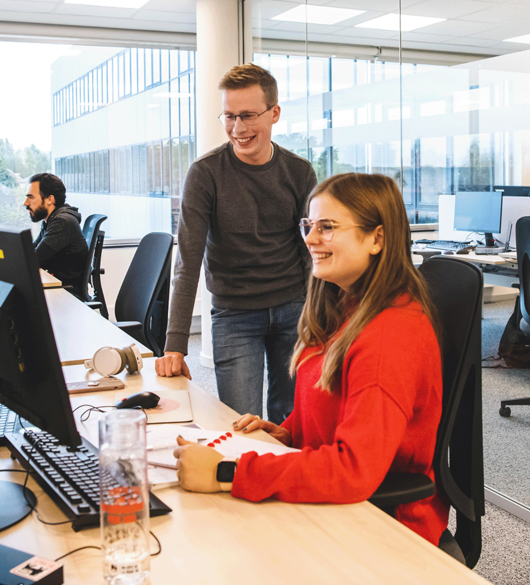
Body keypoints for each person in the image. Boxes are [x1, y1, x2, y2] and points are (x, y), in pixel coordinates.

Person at [173, 173, 449, 546]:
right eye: (310, 225)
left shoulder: (388, 335)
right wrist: (289, 432)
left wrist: (228, 472)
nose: (310, 238)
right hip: (337, 503)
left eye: (328, 227)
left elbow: (355, 471)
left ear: (377, 239)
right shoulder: (343, 306)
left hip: (384, 527)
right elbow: (333, 403)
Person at [156, 63, 317, 425]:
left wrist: (320, 314)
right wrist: (175, 344)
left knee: (292, 422)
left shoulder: (299, 172)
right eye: (229, 116)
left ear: (274, 113)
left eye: (248, 115)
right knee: (242, 423)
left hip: (294, 308)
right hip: (235, 314)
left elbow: (313, 250)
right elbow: (187, 261)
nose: (238, 128)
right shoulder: (206, 173)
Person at [23, 173, 89, 299]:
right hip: (57, 287)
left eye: (31, 197)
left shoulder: (62, 222)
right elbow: (32, 251)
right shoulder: (50, 220)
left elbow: (35, 260)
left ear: (50, 199)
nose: (25, 203)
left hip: (67, 294)